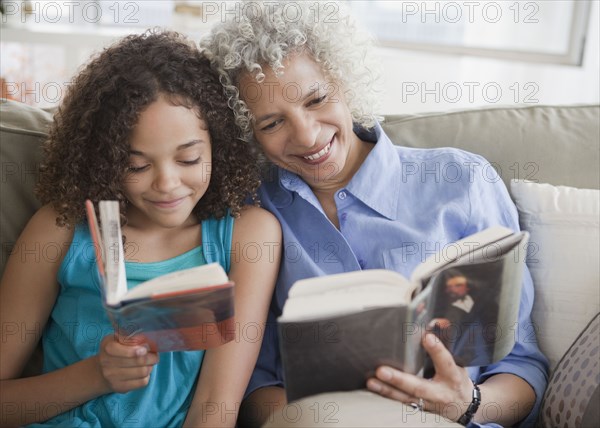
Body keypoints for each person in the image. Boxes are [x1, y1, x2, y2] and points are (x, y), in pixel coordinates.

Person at [200, 2, 548, 427]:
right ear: (247, 132)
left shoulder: (463, 181)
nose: (307, 135)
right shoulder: (254, 214)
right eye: (272, 123)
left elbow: (522, 365)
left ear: (344, 81)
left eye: (317, 99)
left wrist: (468, 403)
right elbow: (254, 384)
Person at [0, 30, 281, 427]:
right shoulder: (60, 227)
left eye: (188, 159)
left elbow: (216, 408)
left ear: (218, 144)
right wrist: (95, 376)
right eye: (136, 166)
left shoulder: (249, 236)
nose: (166, 184)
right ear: (104, 159)